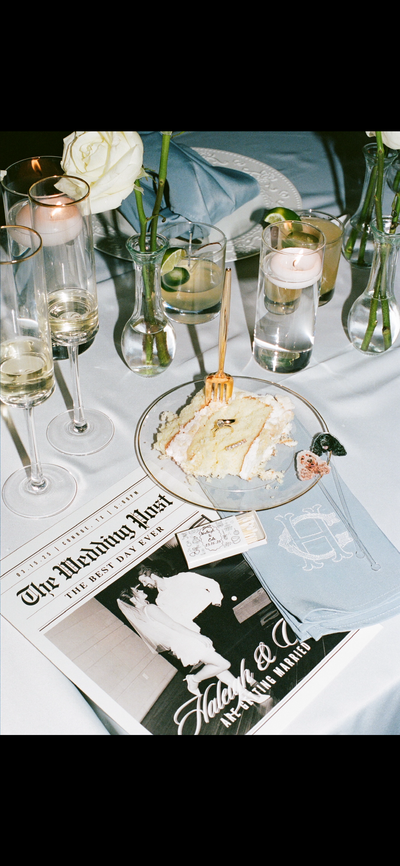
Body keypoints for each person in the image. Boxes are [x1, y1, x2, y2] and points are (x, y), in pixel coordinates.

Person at [117, 586, 270, 706]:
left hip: (184, 641)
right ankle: (194, 679)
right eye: (137, 590)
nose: (141, 590)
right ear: (133, 598)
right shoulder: (150, 608)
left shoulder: (146, 611)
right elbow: (172, 625)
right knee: (223, 663)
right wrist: (197, 636)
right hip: (186, 640)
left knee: (220, 670)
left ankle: (248, 696)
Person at [136, 564, 223, 632]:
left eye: (144, 581)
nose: (144, 585)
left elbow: (211, 583)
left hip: (215, 611)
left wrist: (216, 603)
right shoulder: (160, 600)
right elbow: (179, 619)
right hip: (201, 624)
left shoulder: (181, 578)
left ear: (153, 575)